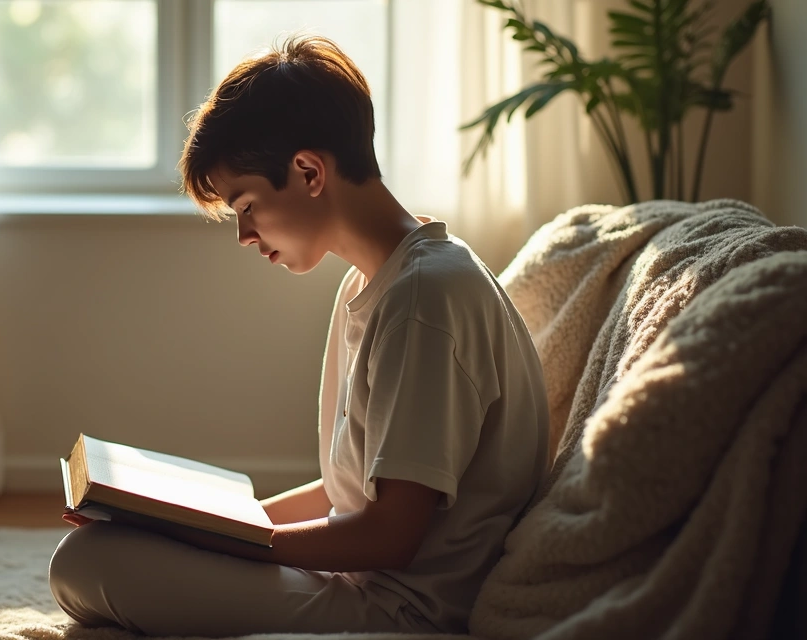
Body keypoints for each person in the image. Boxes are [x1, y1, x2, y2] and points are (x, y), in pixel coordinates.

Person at [47, 34, 550, 637]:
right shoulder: (380, 282)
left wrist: (214, 541)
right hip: (361, 582)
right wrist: (202, 525)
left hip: (399, 611)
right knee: (107, 551)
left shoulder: (425, 298)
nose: (244, 236)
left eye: (247, 205)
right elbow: (349, 497)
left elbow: (390, 534)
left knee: (86, 565)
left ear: (309, 171)